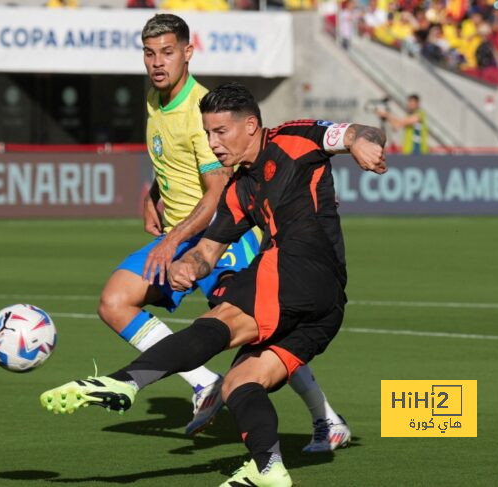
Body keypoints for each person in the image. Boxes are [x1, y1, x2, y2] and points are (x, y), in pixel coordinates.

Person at [40, 82, 387, 486]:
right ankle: (268, 468)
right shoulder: (239, 190)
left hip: (303, 267)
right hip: (325, 310)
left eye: (221, 132)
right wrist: (187, 265)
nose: (213, 143)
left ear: (252, 126)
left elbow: (356, 133)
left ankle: (126, 382)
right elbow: (209, 251)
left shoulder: (293, 138)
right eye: (207, 133)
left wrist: (363, 144)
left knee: (221, 320)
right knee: (241, 383)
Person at [97, 14, 349, 451]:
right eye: (150, 53)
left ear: (188, 53)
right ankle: (202, 383)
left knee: (255, 330)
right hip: (180, 233)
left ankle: (324, 418)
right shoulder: (156, 98)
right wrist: (152, 192)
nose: (157, 63)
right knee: (115, 301)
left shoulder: (201, 111)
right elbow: (175, 160)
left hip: (213, 234)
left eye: (168, 52)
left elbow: (218, 190)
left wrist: (176, 243)